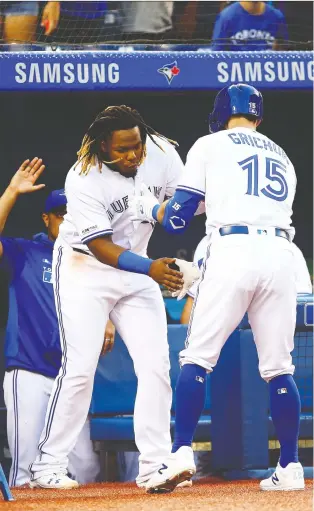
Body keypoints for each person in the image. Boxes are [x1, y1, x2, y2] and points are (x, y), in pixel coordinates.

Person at [130, 83, 305, 493]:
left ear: (221, 111)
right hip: (281, 253)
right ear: (257, 115)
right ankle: (290, 466)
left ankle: (180, 453)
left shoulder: (210, 143)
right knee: (279, 368)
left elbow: (176, 219)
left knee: (197, 358)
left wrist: (149, 208)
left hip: (233, 248)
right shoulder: (281, 154)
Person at [28, 105, 196, 490]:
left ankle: (154, 465)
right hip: (86, 268)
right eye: (122, 149)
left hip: (136, 269)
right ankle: (48, 465)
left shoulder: (161, 152)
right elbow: (101, 246)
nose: (132, 155)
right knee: (80, 368)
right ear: (103, 146)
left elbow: (186, 201)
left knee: (156, 366)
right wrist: (152, 268)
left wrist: (179, 209)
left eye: (135, 146)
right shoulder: (83, 176)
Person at [0, 159, 103, 486]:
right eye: (61, 215)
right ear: (47, 219)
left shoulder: (91, 259)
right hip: (28, 371)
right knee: (26, 474)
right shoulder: (25, 251)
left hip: (69, 377)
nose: (68, 221)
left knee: (85, 470)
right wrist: (12, 192)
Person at [182, 236, 312, 323]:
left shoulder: (287, 248)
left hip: (275, 335)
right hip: (225, 336)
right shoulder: (210, 243)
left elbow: (301, 307)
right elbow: (194, 304)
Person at [211, 1, 288, 51]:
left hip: (268, 72)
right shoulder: (226, 17)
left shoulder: (277, 16)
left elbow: (283, 52)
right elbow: (216, 56)